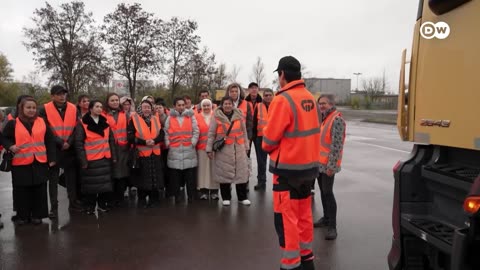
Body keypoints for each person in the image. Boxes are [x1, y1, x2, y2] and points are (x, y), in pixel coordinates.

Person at [262, 56, 320, 270]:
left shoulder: (282, 99)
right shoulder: (311, 98)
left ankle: (290, 265)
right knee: (304, 217)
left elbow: (268, 141)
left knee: (286, 222)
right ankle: (307, 260)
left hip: (286, 172)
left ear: (282, 74)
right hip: (309, 170)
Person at [0, 97, 57, 225]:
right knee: (22, 191)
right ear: (22, 108)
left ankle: (38, 215)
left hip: (40, 161)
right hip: (20, 163)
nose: (31, 110)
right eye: (28, 107)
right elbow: (3, 138)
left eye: (33, 108)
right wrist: (10, 146)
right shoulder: (13, 123)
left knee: (40, 189)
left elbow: (50, 140)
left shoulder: (42, 122)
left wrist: (52, 158)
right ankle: (23, 216)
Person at [39, 85, 80, 217]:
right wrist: (60, 142)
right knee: (53, 180)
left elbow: (77, 127)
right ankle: (54, 208)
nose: (62, 96)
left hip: (70, 148)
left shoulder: (73, 108)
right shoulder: (44, 109)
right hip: (54, 149)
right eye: (59, 94)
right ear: (52, 96)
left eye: (64, 93)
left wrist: (69, 142)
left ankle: (73, 204)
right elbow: (46, 128)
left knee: (71, 179)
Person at [313, 94, 346, 240]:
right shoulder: (324, 118)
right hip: (320, 163)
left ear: (332, 104)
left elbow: (337, 146)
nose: (321, 106)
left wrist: (331, 166)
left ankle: (332, 226)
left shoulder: (337, 119)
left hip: (328, 165)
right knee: (322, 192)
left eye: (324, 103)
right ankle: (326, 218)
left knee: (328, 193)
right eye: (320, 103)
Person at [206, 96, 250, 206]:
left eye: (229, 103)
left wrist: (246, 146)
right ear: (222, 105)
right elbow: (211, 134)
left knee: (241, 173)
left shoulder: (239, 116)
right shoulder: (216, 117)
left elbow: (244, 132)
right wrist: (209, 149)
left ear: (233, 105)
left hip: (239, 148)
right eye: (225, 103)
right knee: (224, 173)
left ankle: (242, 197)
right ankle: (226, 197)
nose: (228, 105)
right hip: (223, 150)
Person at [75, 100, 116, 215]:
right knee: (90, 186)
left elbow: (111, 140)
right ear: (91, 109)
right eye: (97, 106)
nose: (99, 109)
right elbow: (78, 143)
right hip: (91, 159)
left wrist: (113, 156)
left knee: (105, 185)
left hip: (105, 157)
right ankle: (90, 206)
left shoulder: (105, 122)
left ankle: (102, 205)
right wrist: (83, 160)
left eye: (101, 107)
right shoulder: (83, 123)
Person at [127, 100, 164, 207]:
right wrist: (144, 142)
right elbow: (130, 137)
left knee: (155, 178)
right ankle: (142, 199)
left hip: (155, 153)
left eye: (148, 107)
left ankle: (154, 199)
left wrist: (155, 141)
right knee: (142, 178)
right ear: (140, 108)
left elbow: (161, 133)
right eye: (144, 107)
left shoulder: (155, 119)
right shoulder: (134, 120)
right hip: (142, 154)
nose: (146, 109)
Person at [164, 97, 199, 204]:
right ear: (174, 106)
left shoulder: (190, 116)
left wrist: (193, 142)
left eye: (183, 105)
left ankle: (191, 196)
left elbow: (196, 131)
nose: (181, 107)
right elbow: (166, 132)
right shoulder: (169, 118)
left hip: (189, 149)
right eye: (178, 105)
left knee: (190, 177)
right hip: (174, 150)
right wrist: (168, 143)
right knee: (175, 177)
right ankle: (177, 196)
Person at [104, 93, 131, 207]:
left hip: (123, 147)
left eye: (116, 100)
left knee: (122, 174)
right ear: (108, 102)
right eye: (112, 100)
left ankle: (120, 197)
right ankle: (110, 198)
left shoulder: (124, 114)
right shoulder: (103, 115)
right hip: (109, 147)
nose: (115, 102)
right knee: (111, 174)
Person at [195, 99, 219, 200]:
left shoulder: (216, 116)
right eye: (204, 106)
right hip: (201, 148)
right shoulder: (196, 117)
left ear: (211, 106)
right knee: (202, 170)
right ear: (201, 106)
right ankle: (203, 191)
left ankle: (214, 191)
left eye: (207, 105)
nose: (206, 107)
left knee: (213, 170)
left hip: (214, 149)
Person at [252, 89, 274, 191]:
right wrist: (254, 138)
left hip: (275, 138)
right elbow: (254, 123)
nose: (268, 97)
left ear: (273, 96)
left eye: (270, 95)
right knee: (261, 162)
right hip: (260, 138)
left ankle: (279, 182)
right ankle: (261, 181)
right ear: (263, 96)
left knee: (277, 162)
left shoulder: (278, 106)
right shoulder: (258, 106)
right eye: (266, 95)